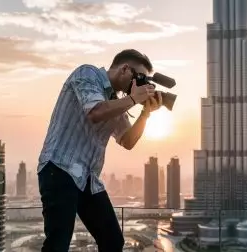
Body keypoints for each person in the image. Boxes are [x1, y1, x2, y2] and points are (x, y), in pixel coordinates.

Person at [37, 49, 162, 252]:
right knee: (57, 245)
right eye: (139, 77)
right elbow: (96, 112)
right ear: (124, 69)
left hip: (88, 180)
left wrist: (145, 113)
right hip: (59, 169)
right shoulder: (87, 74)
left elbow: (127, 140)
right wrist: (132, 100)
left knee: (113, 241)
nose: (139, 84)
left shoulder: (115, 100)